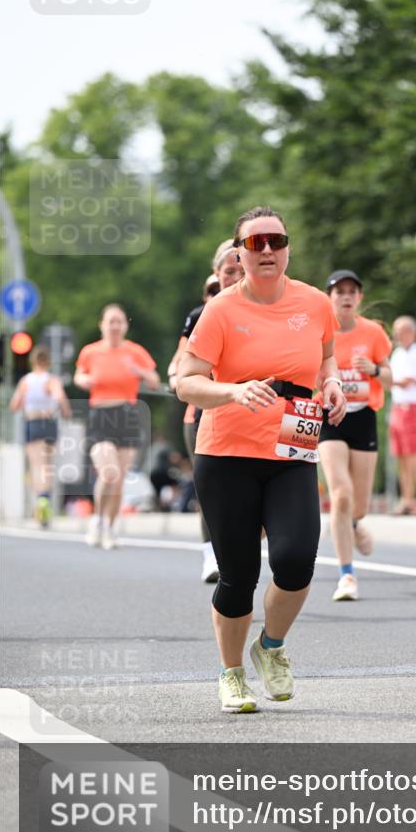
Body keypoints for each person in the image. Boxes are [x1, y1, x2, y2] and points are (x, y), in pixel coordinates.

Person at [177, 205, 346, 713]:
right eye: (256, 244)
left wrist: (333, 382)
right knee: (239, 575)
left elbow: (328, 355)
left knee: (296, 560)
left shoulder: (315, 303)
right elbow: (187, 380)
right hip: (226, 454)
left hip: (292, 447)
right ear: (239, 254)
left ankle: (270, 646)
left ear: (288, 247)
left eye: (275, 241)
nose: (267, 250)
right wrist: (232, 391)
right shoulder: (222, 310)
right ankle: (231, 675)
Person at [168, 241, 244, 582]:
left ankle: (240, 549)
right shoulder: (202, 317)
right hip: (201, 417)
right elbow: (179, 365)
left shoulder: (273, 312)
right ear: (217, 275)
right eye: (229, 272)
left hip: (251, 416)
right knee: (209, 489)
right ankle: (210, 555)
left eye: (241, 271)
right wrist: (177, 378)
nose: (235, 278)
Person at [318, 269, 392, 601]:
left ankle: (354, 523)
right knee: (341, 494)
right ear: (329, 297)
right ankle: (347, 575)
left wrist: (374, 371)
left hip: (364, 417)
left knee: (358, 505)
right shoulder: (320, 332)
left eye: (352, 291)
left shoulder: (373, 333)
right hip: (330, 417)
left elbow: (391, 379)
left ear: (359, 297)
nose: (346, 296)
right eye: (339, 291)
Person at [74, 304, 160, 550]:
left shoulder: (135, 352)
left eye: (119, 321)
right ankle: (98, 520)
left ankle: (110, 528)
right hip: (101, 414)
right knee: (108, 471)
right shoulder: (90, 352)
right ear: (102, 324)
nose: (114, 326)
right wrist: (85, 380)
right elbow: (78, 375)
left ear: (125, 325)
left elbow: (154, 380)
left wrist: (139, 371)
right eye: (110, 321)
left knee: (120, 478)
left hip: (127, 414)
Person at [9, 345, 72, 527]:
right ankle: (45, 499)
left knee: (36, 466)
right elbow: (60, 397)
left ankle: (40, 500)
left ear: (33, 362)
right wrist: (66, 411)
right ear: (49, 362)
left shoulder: (26, 381)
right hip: (49, 422)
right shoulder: (51, 380)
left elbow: (14, 405)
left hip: (33, 422)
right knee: (47, 464)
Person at [388, 315, 416, 514]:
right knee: (401, 456)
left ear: (412, 333)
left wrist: (383, 379)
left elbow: (408, 381)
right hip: (398, 406)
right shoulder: (397, 353)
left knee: (415, 455)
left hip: (413, 408)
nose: (397, 334)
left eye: (401, 330)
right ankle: (407, 499)